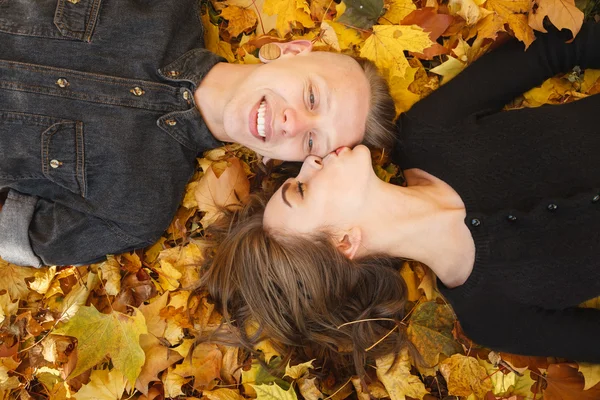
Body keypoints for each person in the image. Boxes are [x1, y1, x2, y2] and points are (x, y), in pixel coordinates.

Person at [201, 21, 600, 375]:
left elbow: (551, 47)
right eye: (301, 190)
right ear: (345, 242)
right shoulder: (491, 318)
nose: (308, 162)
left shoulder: (428, 134)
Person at [0, 0, 395, 267]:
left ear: (282, 161)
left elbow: (14, 237)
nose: (294, 122)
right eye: (312, 96)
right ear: (292, 50)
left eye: (311, 142)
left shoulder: (137, 210)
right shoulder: (162, 8)